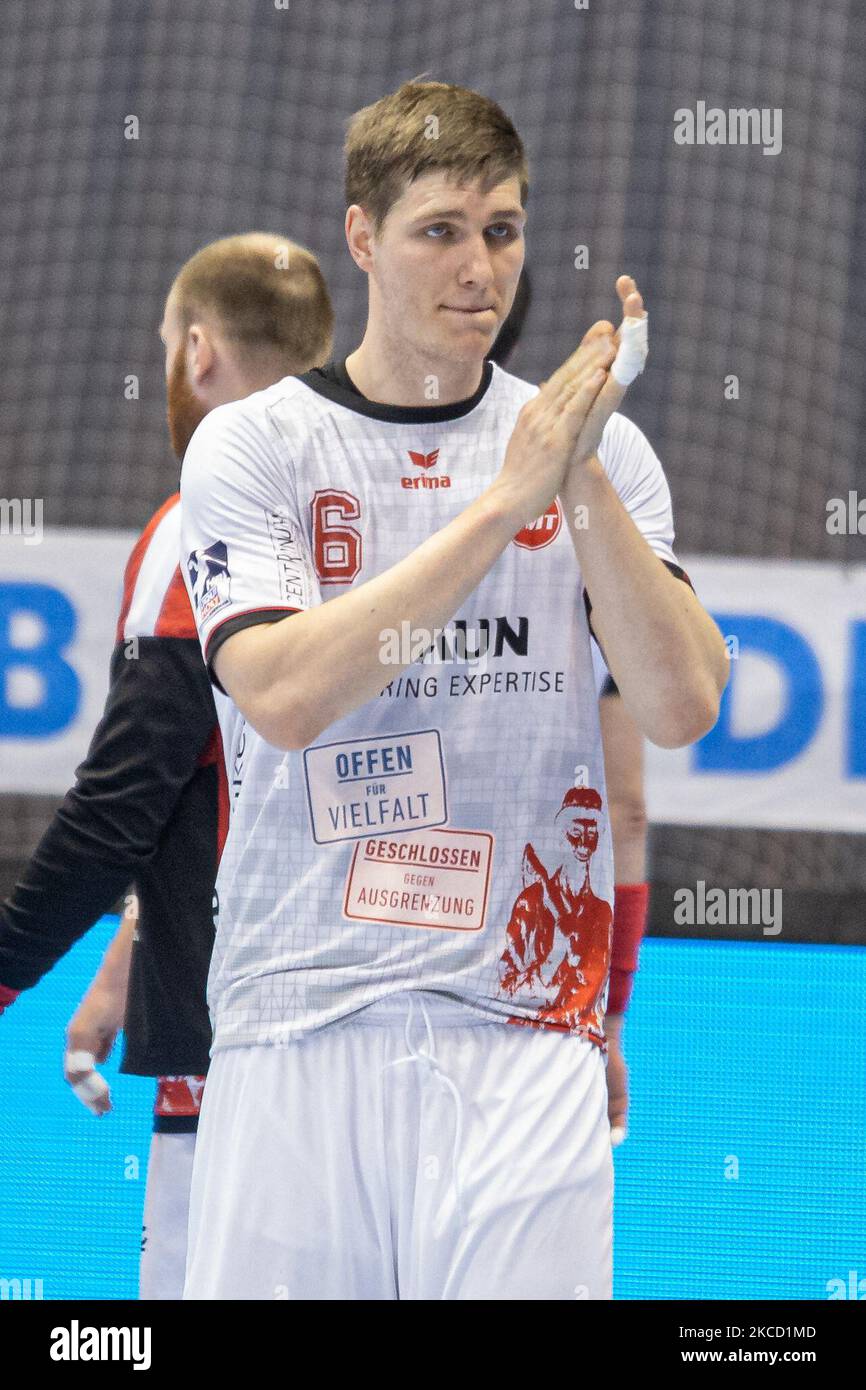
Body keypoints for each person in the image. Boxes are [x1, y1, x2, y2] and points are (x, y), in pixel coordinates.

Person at [180, 79, 728, 1301]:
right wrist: (501, 502)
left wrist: (572, 475)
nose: (478, 266)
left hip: (524, 1028)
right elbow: (280, 694)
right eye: (440, 230)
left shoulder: (592, 450)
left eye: (503, 229)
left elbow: (683, 701)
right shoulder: (258, 444)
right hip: (297, 1016)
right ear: (363, 237)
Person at [0, 233, 334, 1299]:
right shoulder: (385, 512)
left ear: (194, 353)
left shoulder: (203, 528)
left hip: (245, 1057)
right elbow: (245, 788)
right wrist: (128, 958)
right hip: (397, 1050)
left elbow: (119, 807)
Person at [489, 270, 648, 1148]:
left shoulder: (313, 456)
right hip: (537, 1016)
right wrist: (611, 1017)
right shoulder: (602, 472)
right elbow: (623, 808)